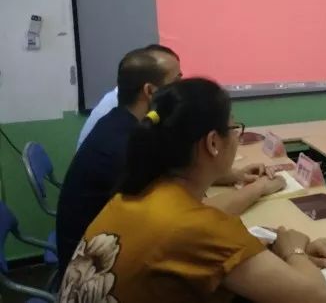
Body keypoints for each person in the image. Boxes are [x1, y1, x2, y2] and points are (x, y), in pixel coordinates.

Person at [59, 78, 326, 303]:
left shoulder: (137, 191)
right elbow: (315, 297)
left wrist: (268, 250)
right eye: (233, 128)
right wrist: (294, 250)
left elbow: (197, 223)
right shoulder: (195, 228)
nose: (237, 137)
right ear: (213, 143)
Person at [57, 48, 284, 278]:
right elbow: (193, 218)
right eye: (176, 81)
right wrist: (259, 188)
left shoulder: (123, 124)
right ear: (150, 91)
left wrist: (233, 176)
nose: (182, 89)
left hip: (103, 263)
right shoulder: (124, 148)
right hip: (95, 270)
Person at [76, 44, 182, 149]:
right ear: (149, 91)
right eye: (176, 81)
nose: (180, 88)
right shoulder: (126, 138)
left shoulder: (119, 117)